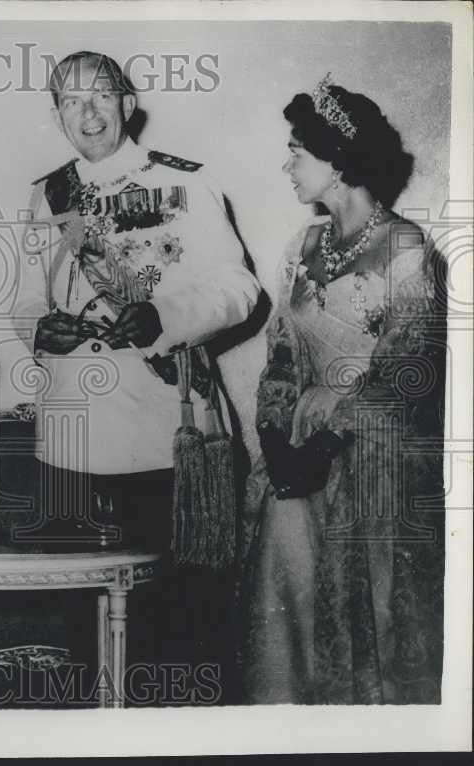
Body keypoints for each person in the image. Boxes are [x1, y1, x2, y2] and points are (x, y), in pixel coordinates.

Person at [13, 51, 260, 692]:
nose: (88, 113)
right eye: (71, 101)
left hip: (161, 428)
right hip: (71, 433)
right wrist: (37, 329)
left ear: (127, 103)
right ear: (57, 115)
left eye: (101, 96)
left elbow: (240, 290)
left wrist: (163, 316)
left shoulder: (186, 182)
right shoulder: (46, 194)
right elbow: (26, 300)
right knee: (79, 621)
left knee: (173, 615)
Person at [239, 74, 445, 704]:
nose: (287, 166)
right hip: (300, 453)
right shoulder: (302, 245)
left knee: (372, 619)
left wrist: (327, 447)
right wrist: (278, 442)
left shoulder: (406, 246)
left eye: (297, 152)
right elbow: (280, 356)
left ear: (336, 160)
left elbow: (409, 371)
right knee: (289, 619)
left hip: (371, 459)